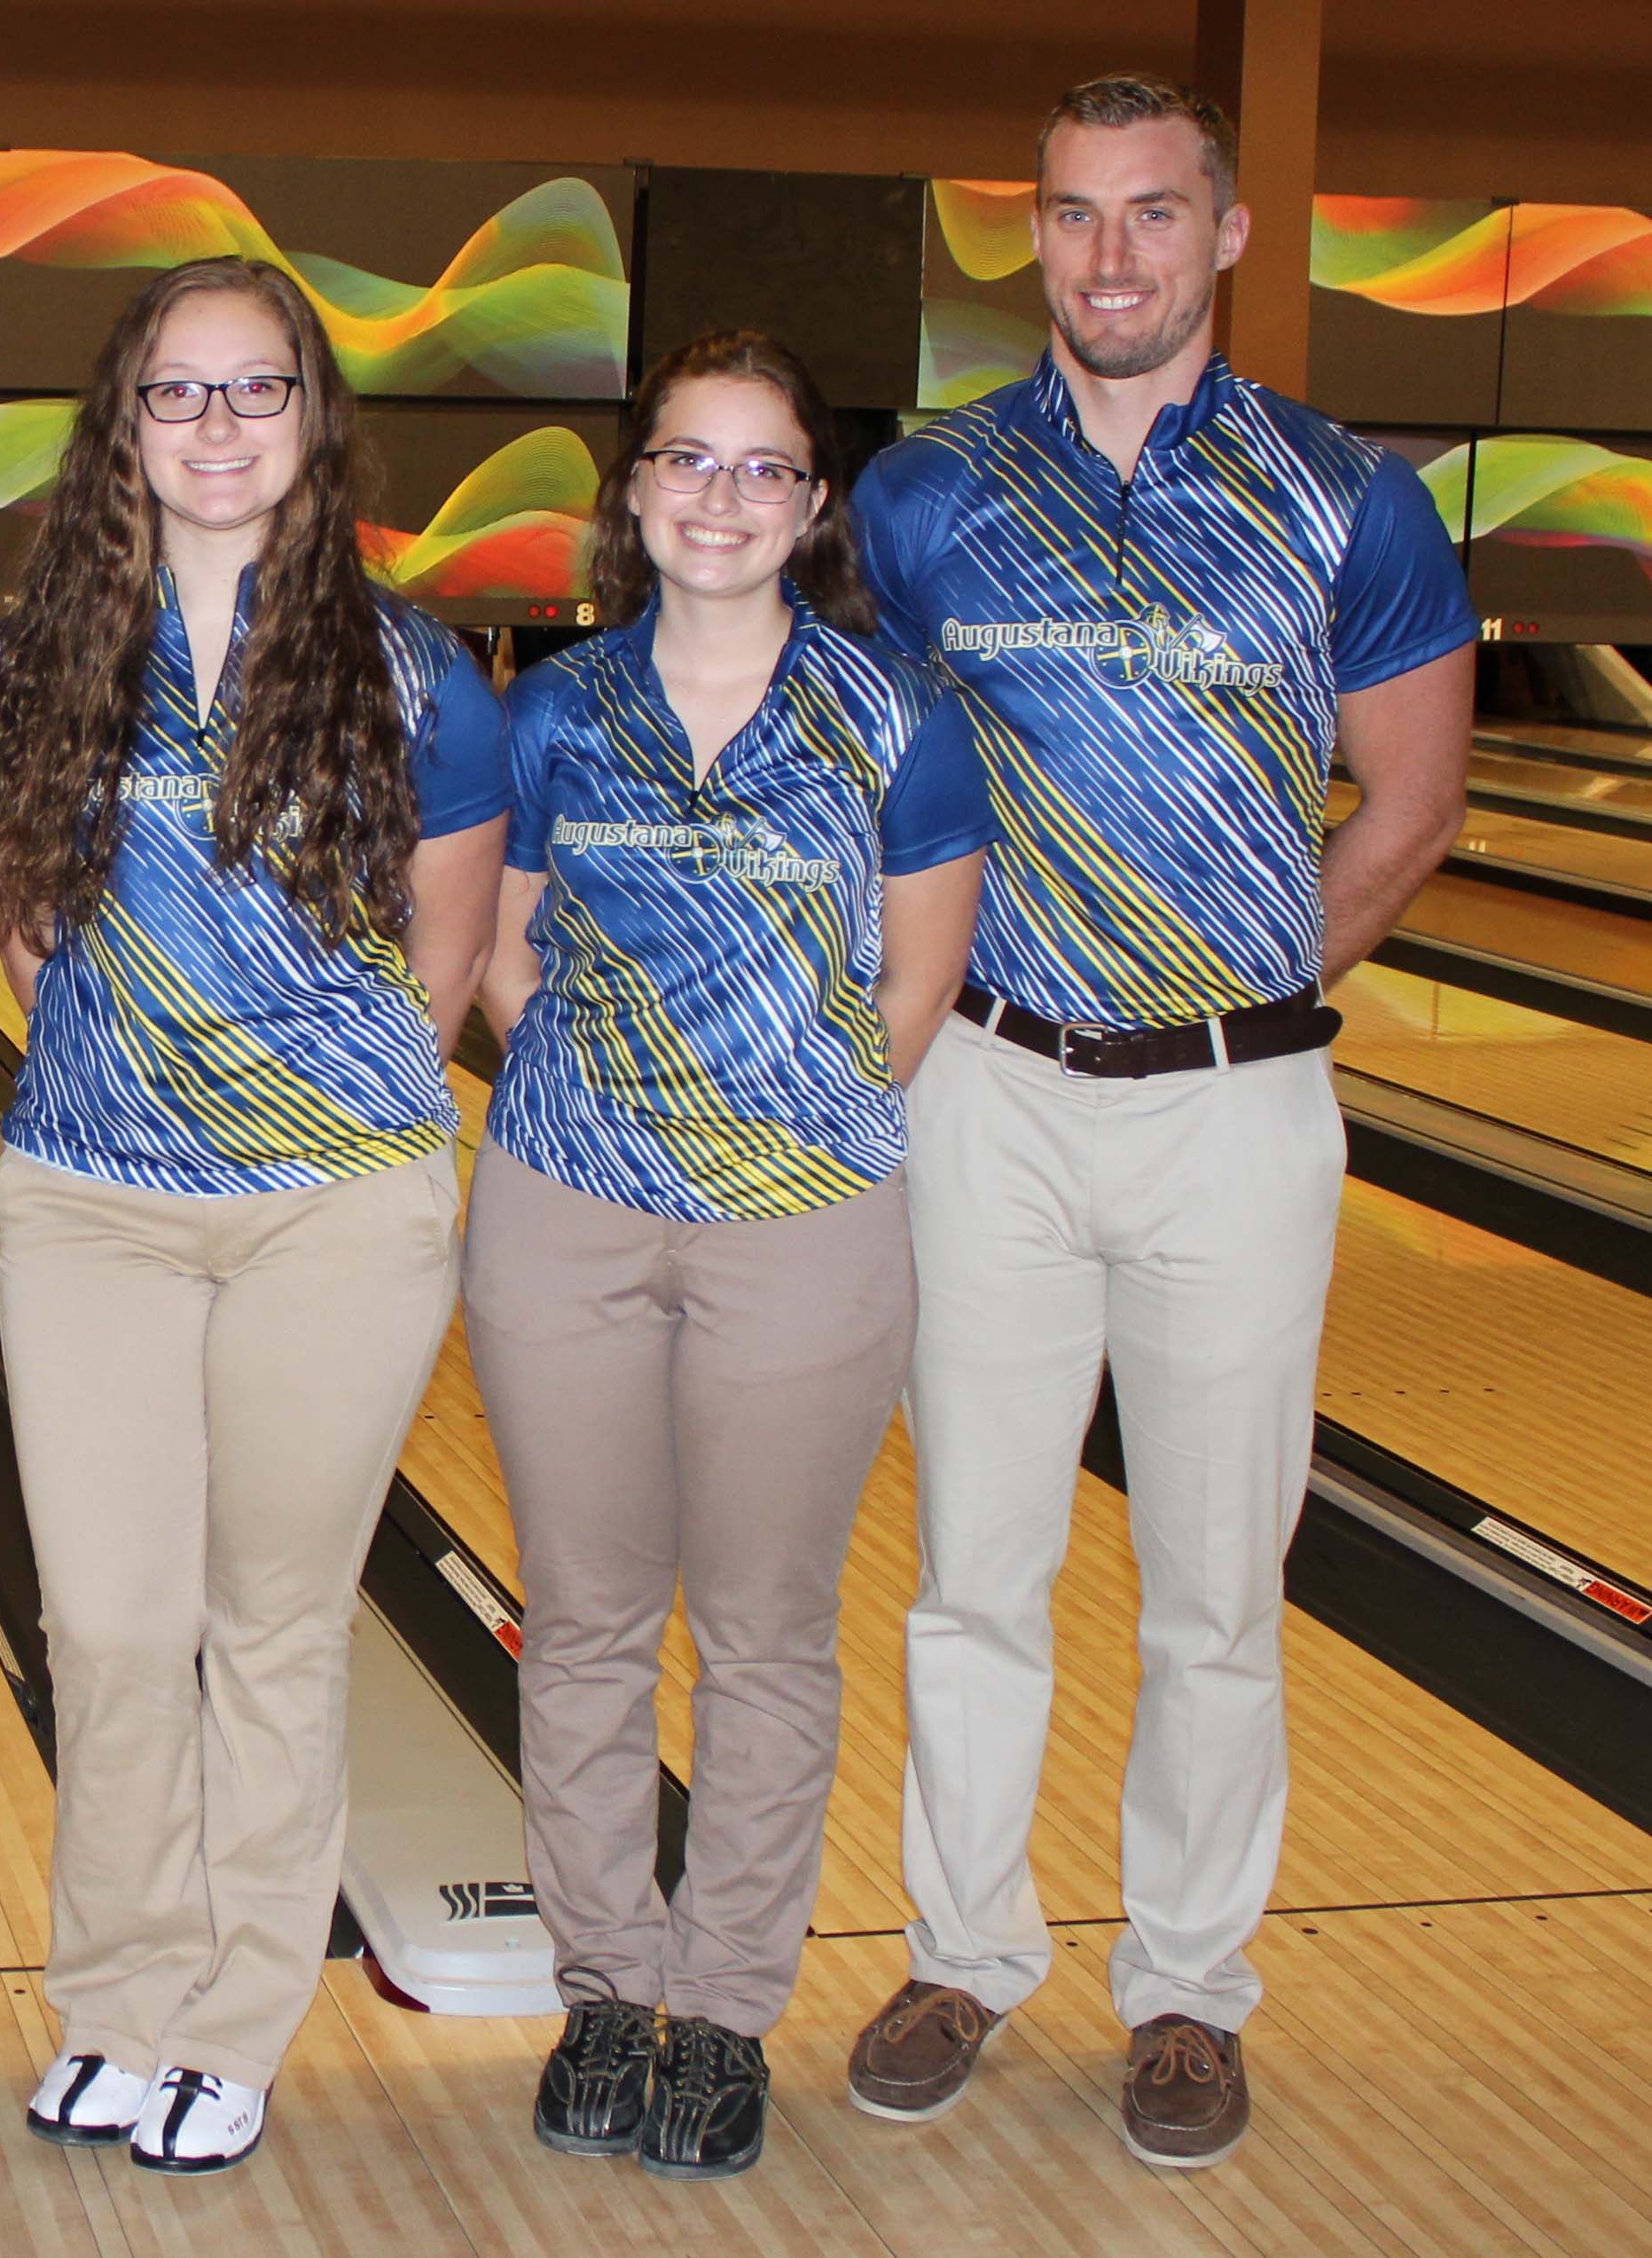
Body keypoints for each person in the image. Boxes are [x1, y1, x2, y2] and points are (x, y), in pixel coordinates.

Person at [837, 74, 1475, 2169]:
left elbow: (1410, 802)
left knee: (1216, 1578)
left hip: (1237, 1104)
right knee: (974, 1572)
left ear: (1226, 237)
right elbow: (867, 795)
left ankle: (1190, 1989)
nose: (1106, 254)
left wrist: (1262, 991)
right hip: (993, 1091)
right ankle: (960, 1948)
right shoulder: (930, 494)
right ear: (1032, 234)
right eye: (1070, 215)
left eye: (1149, 214)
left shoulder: (1344, 496)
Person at [0, 255, 507, 2175]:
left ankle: (232, 2019)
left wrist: (313, 1112)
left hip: (331, 1214)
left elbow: (444, 950)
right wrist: (141, 1084)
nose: (212, 428)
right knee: (106, 1626)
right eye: (175, 394)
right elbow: (23, 916)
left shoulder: (410, 664)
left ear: (308, 415)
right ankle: (115, 1996)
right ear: (124, 421)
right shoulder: (42, 649)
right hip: (96, 1200)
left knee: (272, 1626)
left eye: (252, 392)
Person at [471, 331, 988, 2182]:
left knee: (765, 1629)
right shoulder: (550, 707)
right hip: (565, 1207)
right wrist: (608, 1098)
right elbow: (502, 948)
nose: (718, 496)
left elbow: (916, 981)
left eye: (761, 467)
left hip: (807, 1222)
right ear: (633, 490)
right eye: (685, 460)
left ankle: (729, 2008)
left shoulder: (894, 716)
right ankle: (609, 1985)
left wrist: (776, 1128)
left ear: (813, 503)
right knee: (588, 1614)